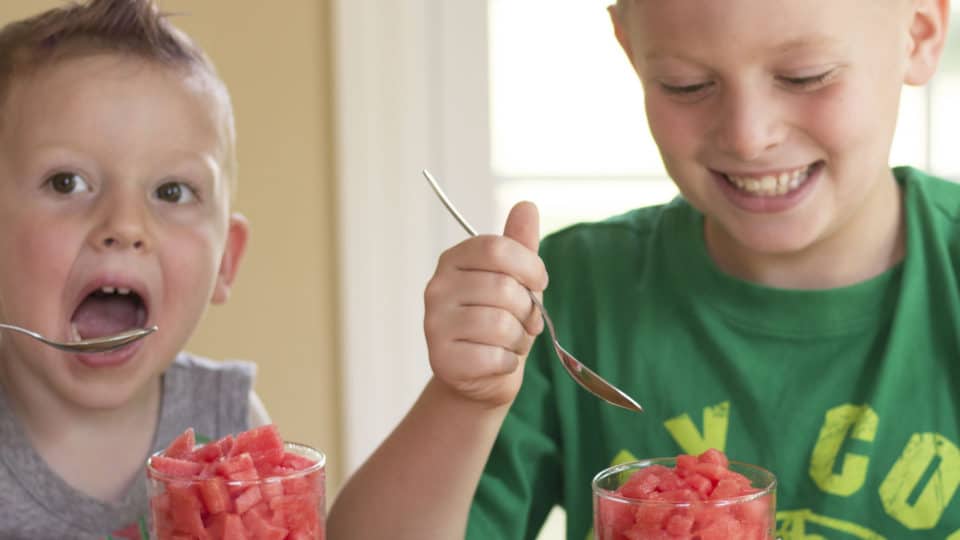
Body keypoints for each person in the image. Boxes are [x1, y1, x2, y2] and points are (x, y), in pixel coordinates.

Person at [328, 0, 960, 538]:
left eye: (805, 76)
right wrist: (464, 401)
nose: (747, 135)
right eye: (687, 85)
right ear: (631, 51)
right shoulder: (569, 297)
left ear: (921, 33)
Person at [0, 1, 269, 538]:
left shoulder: (228, 423)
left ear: (224, 261)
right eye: (66, 183)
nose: (124, 224)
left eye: (172, 191)